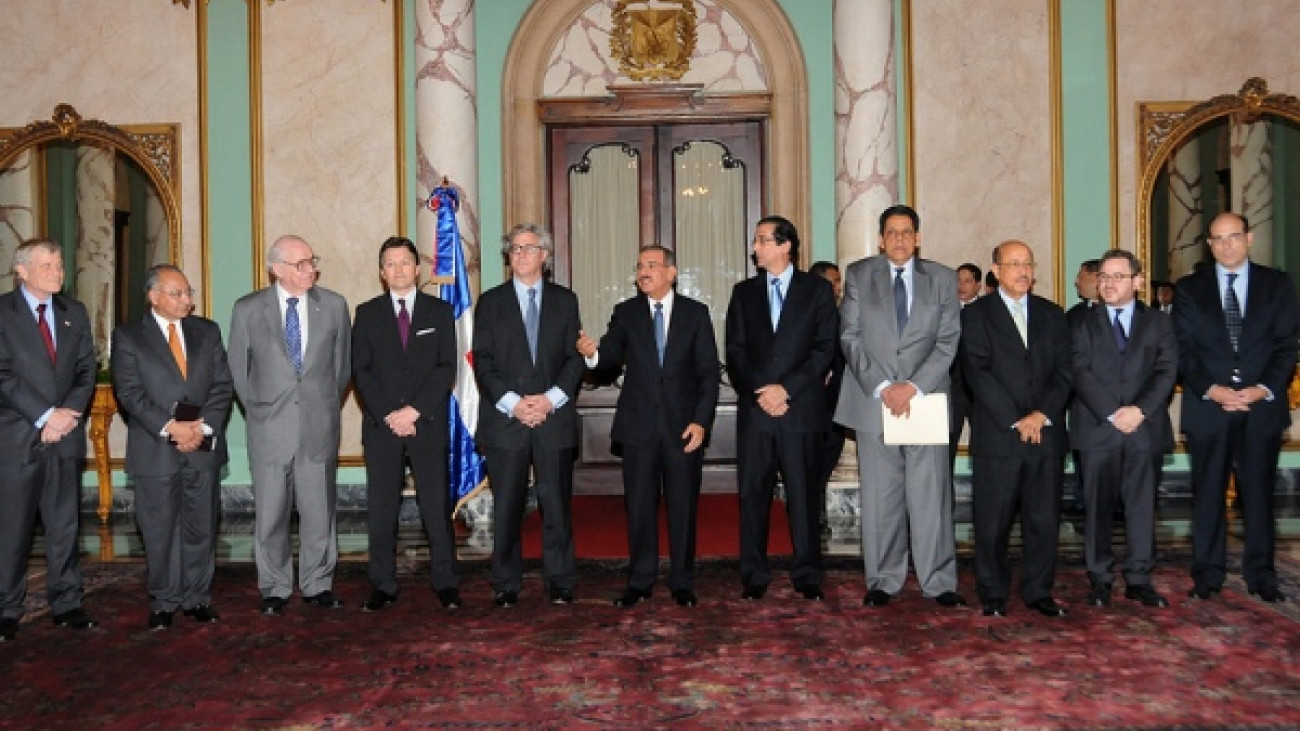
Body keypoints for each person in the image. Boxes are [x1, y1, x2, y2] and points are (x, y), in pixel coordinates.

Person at [835, 204, 964, 608]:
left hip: (924, 401)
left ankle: (939, 581)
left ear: (918, 237)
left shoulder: (942, 279)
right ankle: (883, 580)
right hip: (875, 402)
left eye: (907, 232)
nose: (899, 239)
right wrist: (883, 386)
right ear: (880, 238)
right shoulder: (859, 275)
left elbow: (948, 340)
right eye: (891, 232)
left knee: (930, 494)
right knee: (881, 496)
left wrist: (913, 386)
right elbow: (850, 337)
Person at [576, 245, 719, 608]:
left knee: (683, 507)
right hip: (638, 427)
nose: (644, 272)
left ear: (672, 272)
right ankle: (639, 581)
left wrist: (701, 422)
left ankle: (682, 581)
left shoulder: (695, 314)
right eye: (640, 266)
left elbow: (708, 375)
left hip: (683, 428)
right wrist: (592, 354)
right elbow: (607, 361)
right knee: (639, 507)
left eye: (652, 265)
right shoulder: (626, 313)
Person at [1174, 212, 1298, 604]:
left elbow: (1286, 346)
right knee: (1208, 493)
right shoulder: (1190, 288)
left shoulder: (1276, 284)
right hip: (1209, 408)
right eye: (1217, 239)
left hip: (1261, 409)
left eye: (1233, 237)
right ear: (1209, 245)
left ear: (1249, 238)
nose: (1226, 245)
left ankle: (1261, 574)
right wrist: (1212, 389)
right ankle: (1207, 574)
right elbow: (1183, 349)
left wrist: (1263, 388)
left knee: (1258, 494)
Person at [229, 235, 352, 615]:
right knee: (270, 513)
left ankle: (318, 583)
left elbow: (341, 367)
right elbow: (238, 370)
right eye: (300, 264)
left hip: (318, 425)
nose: (309, 269)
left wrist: (321, 405)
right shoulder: (248, 309)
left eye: (312, 261)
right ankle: (275, 586)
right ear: (276, 269)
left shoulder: (333, 306)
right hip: (269, 428)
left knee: (319, 510)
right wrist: (261, 410)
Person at [111, 265, 234, 629]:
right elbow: (130, 393)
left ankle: (197, 597)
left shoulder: (207, 331)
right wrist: (171, 428)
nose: (187, 301)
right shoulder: (129, 336)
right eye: (177, 294)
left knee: (201, 526)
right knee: (159, 528)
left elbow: (222, 386)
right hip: (155, 449)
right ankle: (164, 601)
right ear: (153, 296)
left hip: (201, 444)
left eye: (189, 293)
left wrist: (202, 428)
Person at [725, 215, 838, 602]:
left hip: (801, 410)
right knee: (753, 496)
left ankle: (807, 572)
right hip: (757, 412)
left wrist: (786, 390)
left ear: (785, 245)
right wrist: (762, 393)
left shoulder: (817, 291)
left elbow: (826, 348)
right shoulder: (744, 293)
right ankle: (754, 573)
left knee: (803, 495)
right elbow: (735, 351)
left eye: (761, 240)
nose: (754, 247)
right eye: (755, 240)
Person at [473, 223, 584, 607]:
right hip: (506, 421)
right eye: (514, 249)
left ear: (545, 256)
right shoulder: (490, 303)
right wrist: (514, 403)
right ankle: (506, 581)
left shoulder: (565, 300)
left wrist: (551, 399)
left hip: (553, 419)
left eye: (528, 248)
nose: (520, 254)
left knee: (556, 506)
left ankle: (561, 580)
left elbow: (575, 359)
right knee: (506, 509)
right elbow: (482, 362)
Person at [961, 240, 1072, 618]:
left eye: (1027, 263)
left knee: (1043, 521)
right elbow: (978, 372)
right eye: (1013, 264)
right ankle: (993, 592)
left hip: (1046, 434)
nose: (1023, 270)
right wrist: (1016, 418)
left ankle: (1038, 590)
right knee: (992, 522)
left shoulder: (1054, 314)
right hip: (999, 435)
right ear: (995, 270)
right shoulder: (975, 316)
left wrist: (1042, 414)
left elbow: (1065, 371)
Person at [352, 237, 461, 612]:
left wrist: (414, 411)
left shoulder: (440, 312)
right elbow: (360, 371)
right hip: (383, 428)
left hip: (427, 424)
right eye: (390, 264)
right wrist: (390, 415)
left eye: (404, 263)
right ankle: (382, 584)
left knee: (436, 506)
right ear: (382, 273)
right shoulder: (366, 314)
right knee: (382, 510)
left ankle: (446, 583)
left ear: (417, 269)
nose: (397, 270)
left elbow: (447, 366)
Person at [0, 238, 97, 642]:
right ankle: (6, 608)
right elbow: (3, 375)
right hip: (18, 436)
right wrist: (44, 415)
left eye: (59, 265)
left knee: (64, 524)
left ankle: (67, 602)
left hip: (65, 436)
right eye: (47, 266)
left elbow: (85, 371)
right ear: (21, 270)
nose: (57, 272)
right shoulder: (2, 313)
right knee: (12, 528)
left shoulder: (74, 313)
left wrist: (64, 417)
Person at [1070, 250, 1177, 609]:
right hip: (1098, 429)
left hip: (1144, 430)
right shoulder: (1082, 322)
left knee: (1142, 508)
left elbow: (1166, 370)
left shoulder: (1159, 323)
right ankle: (1099, 578)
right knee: (1097, 510)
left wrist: (1139, 410)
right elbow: (1079, 370)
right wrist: (1114, 413)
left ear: (1137, 281)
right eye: (1103, 276)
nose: (1108, 283)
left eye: (1117, 276)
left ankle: (1139, 578)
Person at [809, 260, 846, 536]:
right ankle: (809, 512)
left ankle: (816, 508)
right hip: (808, 403)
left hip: (836, 404)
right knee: (808, 464)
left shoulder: (844, 316)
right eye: (834, 282)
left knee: (827, 460)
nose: (838, 287)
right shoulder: (805, 316)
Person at [950, 263, 982, 471]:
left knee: (983, 445)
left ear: (978, 285)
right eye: (957, 281)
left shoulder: (987, 311)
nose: (961, 286)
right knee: (946, 448)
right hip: (951, 390)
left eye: (967, 281)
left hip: (980, 390)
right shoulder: (945, 311)